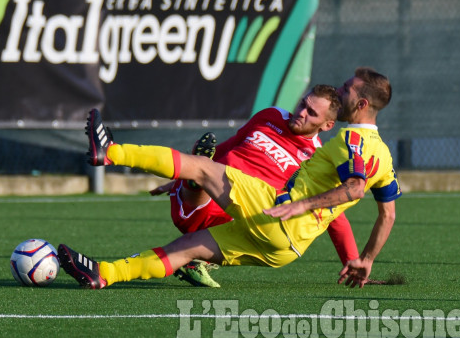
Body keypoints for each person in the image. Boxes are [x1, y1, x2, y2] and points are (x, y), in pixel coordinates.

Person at [59, 67, 401, 289]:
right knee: (184, 249)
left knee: (201, 167)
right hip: (288, 249)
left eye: (347, 89)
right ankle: (103, 274)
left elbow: (353, 188)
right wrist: (364, 261)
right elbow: (388, 213)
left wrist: (302, 206)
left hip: (277, 214)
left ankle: (111, 152)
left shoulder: (350, 140)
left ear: (362, 103)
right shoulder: (383, 155)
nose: (341, 92)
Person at [150, 85, 362, 287]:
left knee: (252, 226)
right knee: (203, 180)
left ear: (327, 125)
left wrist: (352, 260)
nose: (301, 113)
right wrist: (194, 167)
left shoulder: (317, 159)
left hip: (230, 215)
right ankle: (194, 181)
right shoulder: (272, 116)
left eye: (311, 112)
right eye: (302, 105)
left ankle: (195, 200)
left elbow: (333, 215)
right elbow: (231, 144)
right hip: (204, 191)